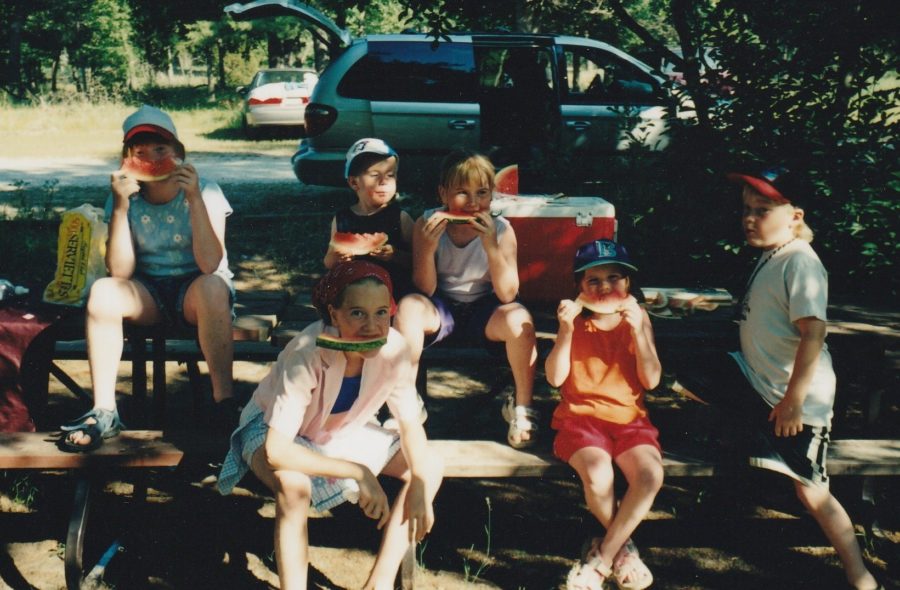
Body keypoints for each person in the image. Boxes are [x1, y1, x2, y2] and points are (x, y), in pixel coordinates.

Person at [671, 165, 882, 590]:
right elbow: (761, 313)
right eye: (746, 210)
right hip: (755, 382)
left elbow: (813, 333)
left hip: (792, 399)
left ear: (795, 217)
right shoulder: (772, 255)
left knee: (811, 491)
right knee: (676, 371)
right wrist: (705, 307)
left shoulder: (801, 263)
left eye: (763, 210)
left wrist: (793, 403)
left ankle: (861, 576)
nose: (749, 219)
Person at [217, 261, 442, 590]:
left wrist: (420, 483)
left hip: (337, 432)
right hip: (271, 430)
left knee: (430, 465)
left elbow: (410, 425)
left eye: (381, 313)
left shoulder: (394, 350)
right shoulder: (308, 352)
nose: (372, 326)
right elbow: (278, 451)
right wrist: (358, 472)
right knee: (295, 488)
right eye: (357, 314)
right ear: (334, 314)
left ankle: (377, 585)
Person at [60, 105, 237, 451]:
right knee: (103, 292)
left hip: (195, 290)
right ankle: (104, 410)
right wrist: (121, 207)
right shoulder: (125, 198)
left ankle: (224, 404)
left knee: (214, 287)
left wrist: (195, 198)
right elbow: (121, 272)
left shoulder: (208, 192)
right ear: (126, 157)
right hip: (148, 294)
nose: (152, 158)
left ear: (179, 154)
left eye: (161, 150)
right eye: (139, 153)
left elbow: (209, 263)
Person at [393, 149, 539, 448]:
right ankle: (405, 401)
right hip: (440, 305)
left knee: (520, 318)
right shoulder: (427, 224)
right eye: (462, 192)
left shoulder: (502, 229)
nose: (473, 202)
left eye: (482, 192)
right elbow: (425, 288)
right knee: (407, 308)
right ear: (443, 193)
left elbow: (507, 294)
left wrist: (491, 246)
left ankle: (522, 407)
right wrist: (430, 248)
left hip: (486, 309)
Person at [546, 239, 662, 590]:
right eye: (593, 281)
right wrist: (565, 331)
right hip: (580, 420)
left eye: (614, 278)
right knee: (598, 476)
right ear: (579, 286)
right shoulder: (574, 322)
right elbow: (554, 377)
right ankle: (622, 553)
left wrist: (640, 332)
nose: (604, 288)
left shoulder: (637, 320)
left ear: (628, 284)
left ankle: (601, 558)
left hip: (630, 421)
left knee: (650, 476)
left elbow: (652, 380)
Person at [323, 138, 414, 298]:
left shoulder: (401, 218)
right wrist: (337, 258)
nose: (383, 181)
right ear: (353, 182)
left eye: (390, 175)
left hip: (394, 294)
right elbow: (328, 262)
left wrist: (396, 255)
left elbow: (417, 261)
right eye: (374, 175)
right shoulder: (341, 218)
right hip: (354, 297)